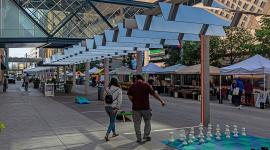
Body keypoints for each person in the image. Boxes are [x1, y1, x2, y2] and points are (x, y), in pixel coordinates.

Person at [127, 74, 165, 143]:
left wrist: (134, 101)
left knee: (137, 123)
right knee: (147, 122)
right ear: (142, 78)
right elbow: (154, 94)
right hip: (146, 108)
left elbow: (129, 96)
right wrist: (161, 101)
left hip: (135, 108)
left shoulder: (132, 86)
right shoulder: (146, 85)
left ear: (136, 79)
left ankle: (138, 138)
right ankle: (145, 136)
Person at [104, 77, 122, 141]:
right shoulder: (119, 90)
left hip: (106, 107)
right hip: (113, 107)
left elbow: (104, 97)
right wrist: (117, 108)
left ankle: (114, 133)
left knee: (112, 120)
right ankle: (107, 134)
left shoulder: (107, 88)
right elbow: (119, 100)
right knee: (112, 121)